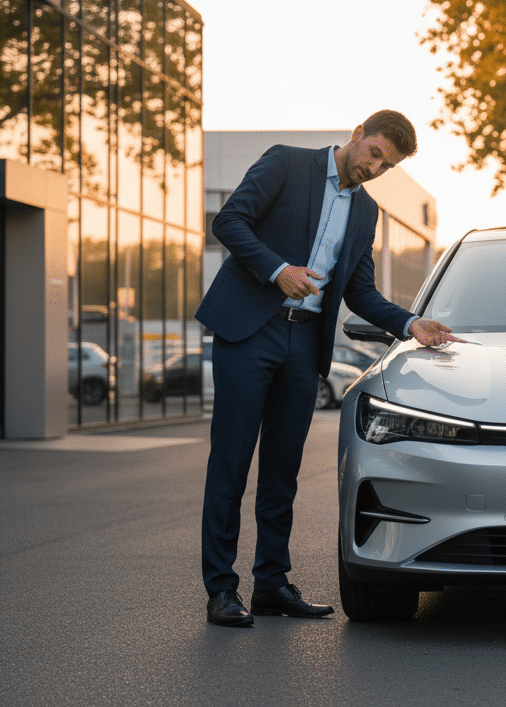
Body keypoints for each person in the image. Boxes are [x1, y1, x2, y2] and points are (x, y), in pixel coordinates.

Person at [195, 110, 463, 627]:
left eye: (387, 166)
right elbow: (228, 221)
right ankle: (221, 589)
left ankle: (271, 583)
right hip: (250, 331)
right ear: (357, 135)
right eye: (375, 154)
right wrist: (278, 270)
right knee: (231, 463)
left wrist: (410, 323)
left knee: (282, 470)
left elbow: (359, 291)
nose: (375, 169)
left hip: (304, 341)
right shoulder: (286, 164)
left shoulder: (366, 211)